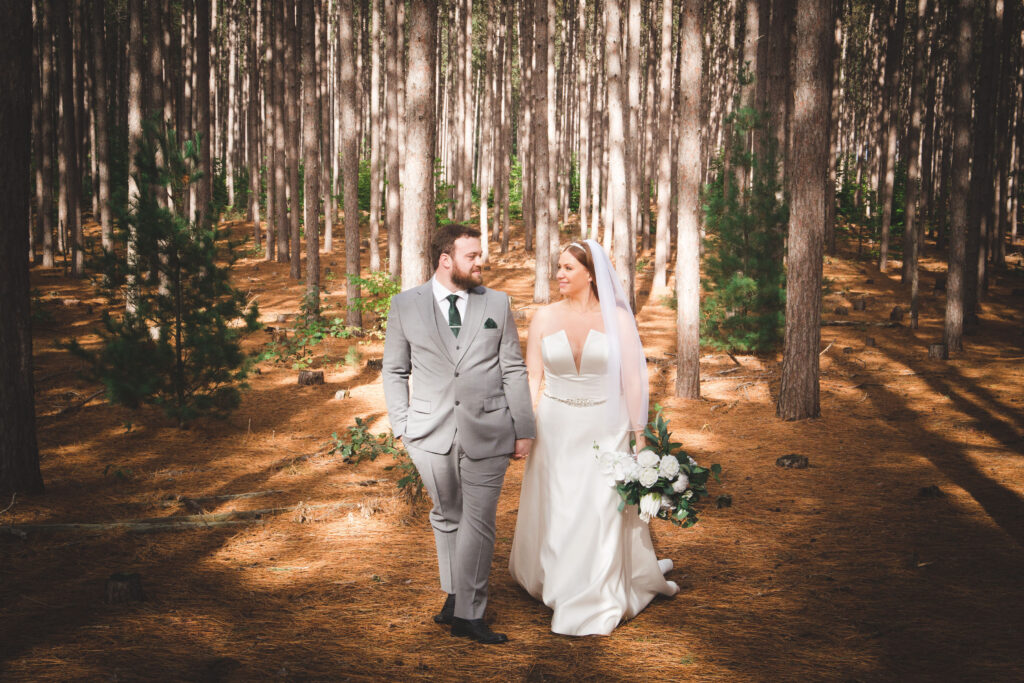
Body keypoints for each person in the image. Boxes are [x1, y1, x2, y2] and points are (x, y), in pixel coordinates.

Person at [509, 239, 678, 636]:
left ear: (590, 273)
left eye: (568, 268)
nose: (560, 275)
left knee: (602, 510)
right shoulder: (544, 317)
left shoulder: (618, 319)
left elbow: (632, 379)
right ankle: (560, 580)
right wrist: (525, 429)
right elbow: (532, 378)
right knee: (563, 508)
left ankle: (595, 592)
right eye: (559, 267)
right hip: (555, 427)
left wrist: (639, 435)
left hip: (608, 426)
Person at [382, 224, 536, 644]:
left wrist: (524, 428)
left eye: (479, 254)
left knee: (479, 522)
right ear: (446, 259)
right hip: (428, 432)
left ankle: (469, 614)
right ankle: (454, 595)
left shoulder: (498, 303)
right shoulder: (405, 305)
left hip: (489, 428)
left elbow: (513, 368)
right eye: (472, 255)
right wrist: (403, 426)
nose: (480, 261)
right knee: (448, 515)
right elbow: (395, 370)